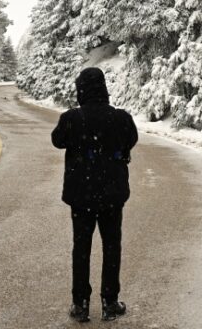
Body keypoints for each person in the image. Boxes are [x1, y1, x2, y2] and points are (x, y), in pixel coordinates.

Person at [51, 67, 138, 323]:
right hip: (112, 195)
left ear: (81, 90)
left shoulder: (71, 119)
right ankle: (110, 302)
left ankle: (81, 304)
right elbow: (130, 140)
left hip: (81, 196)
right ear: (103, 88)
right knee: (112, 247)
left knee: (81, 248)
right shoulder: (121, 118)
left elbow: (57, 140)